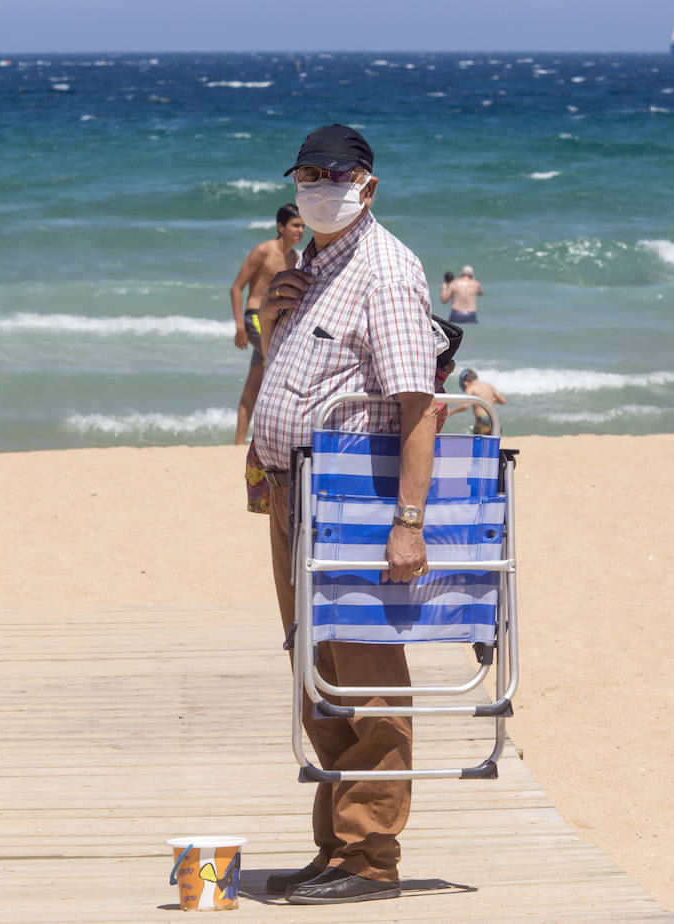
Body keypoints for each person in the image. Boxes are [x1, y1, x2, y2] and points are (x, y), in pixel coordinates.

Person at [252, 124, 435, 906]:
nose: (318, 184)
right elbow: (294, 381)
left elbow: (418, 406)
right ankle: (336, 845)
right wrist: (269, 317)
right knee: (316, 670)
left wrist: (409, 519)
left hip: (355, 499)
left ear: (367, 184)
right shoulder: (310, 268)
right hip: (295, 492)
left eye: (334, 173)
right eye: (305, 172)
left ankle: (371, 857)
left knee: (366, 675)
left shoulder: (386, 274)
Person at [229, 203, 305, 444]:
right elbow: (236, 287)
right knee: (281, 368)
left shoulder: (296, 258)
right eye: (295, 225)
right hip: (254, 319)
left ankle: (238, 443)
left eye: (303, 226)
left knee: (253, 385)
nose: (301, 230)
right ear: (280, 227)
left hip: (275, 323)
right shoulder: (263, 251)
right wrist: (240, 326)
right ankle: (276, 438)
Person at [447, 368, 506, 435]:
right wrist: (489, 400)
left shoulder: (471, 388)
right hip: (493, 418)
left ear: (465, 383)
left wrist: (451, 412)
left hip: (482, 420)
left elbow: (465, 406)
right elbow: (502, 401)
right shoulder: (489, 386)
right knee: (492, 438)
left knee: (476, 438)